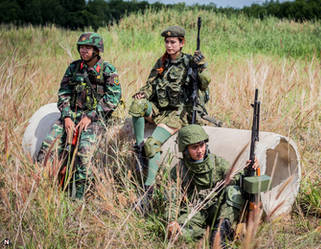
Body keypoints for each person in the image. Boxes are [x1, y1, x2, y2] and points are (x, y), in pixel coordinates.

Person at [37, 32, 122, 199]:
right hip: (71, 116)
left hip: (95, 119)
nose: (84, 51)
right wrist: (67, 116)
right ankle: (44, 189)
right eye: (82, 47)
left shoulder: (107, 69)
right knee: (47, 145)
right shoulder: (73, 67)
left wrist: (91, 116)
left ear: (97, 50)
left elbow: (114, 97)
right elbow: (63, 93)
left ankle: (79, 197)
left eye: (88, 48)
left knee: (84, 152)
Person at [128, 25, 210, 194]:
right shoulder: (162, 62)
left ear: (182, 43)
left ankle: (148, 189)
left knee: (152, 144)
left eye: (173, 42)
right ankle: (138, 148)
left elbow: (204, 84)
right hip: (160, 109)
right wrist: (142, 94)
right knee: (137, 105)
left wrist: (201, 66)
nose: (169, 45)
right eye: (167, 42)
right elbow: (150, 84)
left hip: (177, 114)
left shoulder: (189, 62)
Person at [167, 124, 259, 248]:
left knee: (233, 191)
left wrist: (250, 169)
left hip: (218, 209)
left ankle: (221, 233)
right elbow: (171, 199)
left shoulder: (217, 162)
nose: (199, 150)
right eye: (194, 147)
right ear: (185, 150)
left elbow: (236, 179)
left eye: (201, 145)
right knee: (177, 234)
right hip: (194, 212)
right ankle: (210, 234)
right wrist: (172, 221)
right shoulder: (179, 170)